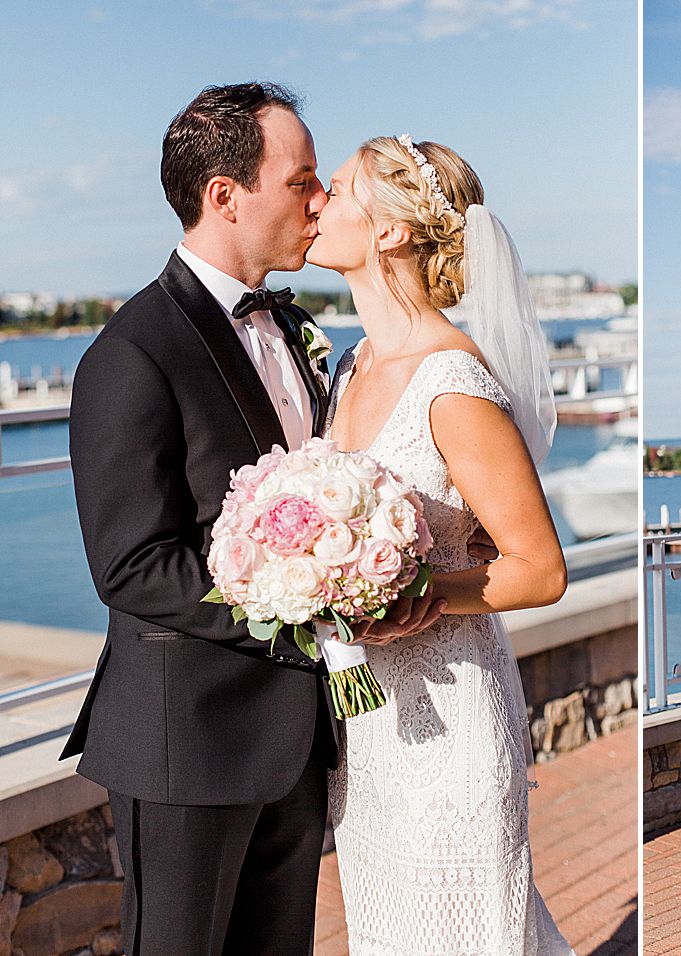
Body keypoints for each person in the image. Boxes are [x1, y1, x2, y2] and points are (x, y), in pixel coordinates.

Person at [64, 82, 373, 953]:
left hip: (298, 741)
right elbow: (132, 565)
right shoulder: (130, 354)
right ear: (225, 196)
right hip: (185, 742)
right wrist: (306, 614)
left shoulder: (296, 326)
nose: (320, 200)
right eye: (302, 179)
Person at [305, 134, 573, 954]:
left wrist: (418, 597)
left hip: (451, 716)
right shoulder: (350, 366)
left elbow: (540, 568)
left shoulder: (453, 385)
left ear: (389, 231)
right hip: (371, 722)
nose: (317, 199)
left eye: (340, 188)